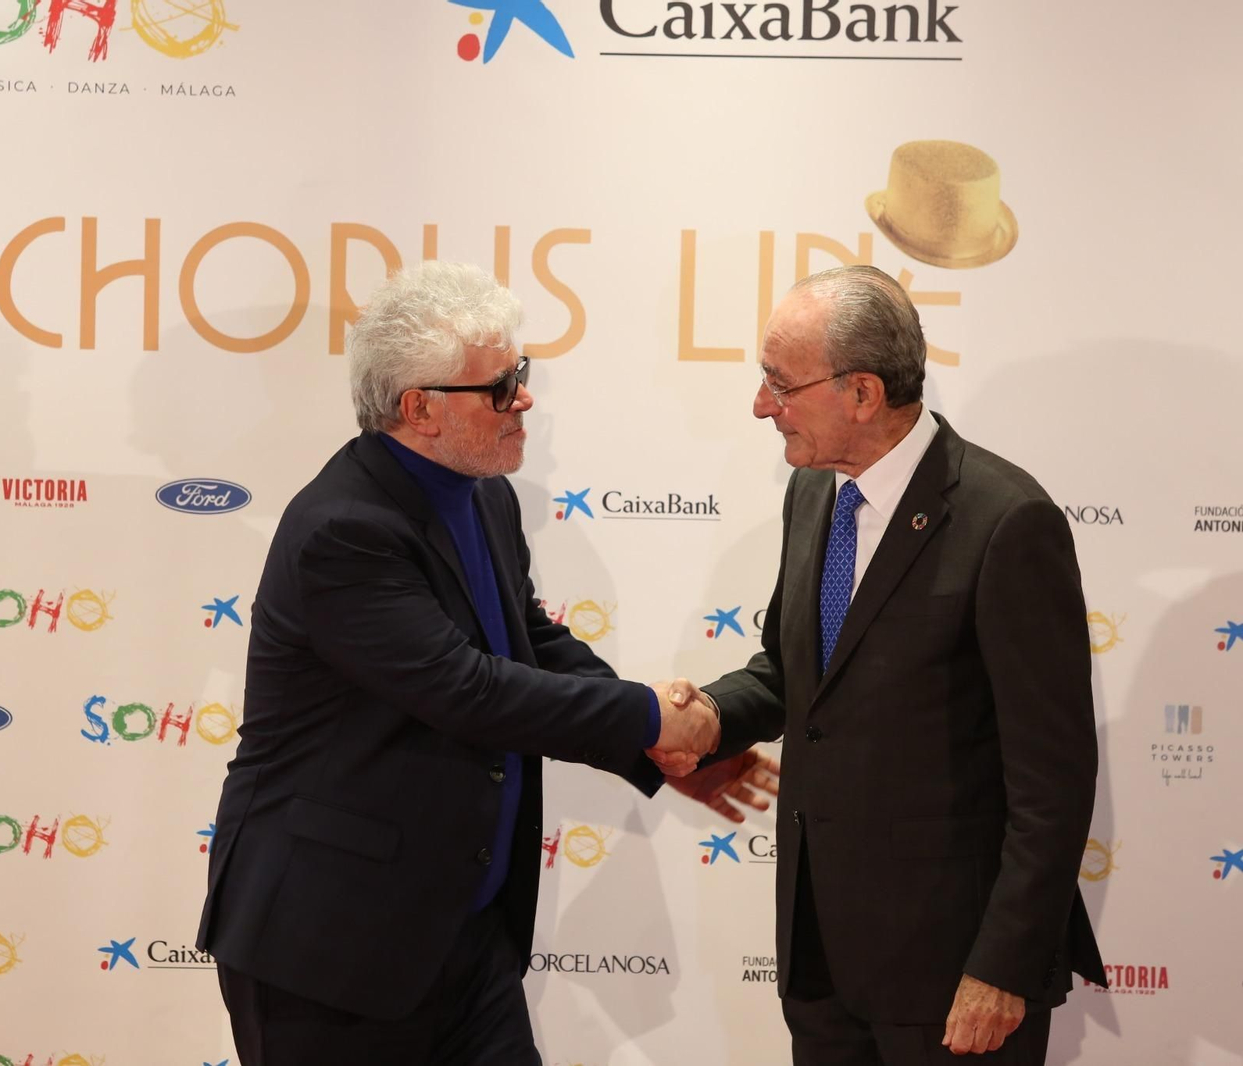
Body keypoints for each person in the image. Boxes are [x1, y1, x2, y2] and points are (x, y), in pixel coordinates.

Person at [195, 261, 767, 1065]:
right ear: (419, 407)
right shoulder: (345, 529)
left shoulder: (483, 493)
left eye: (520, 376)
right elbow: (466, 689)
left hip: (460, 937)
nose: (524, 399)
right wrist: (650, 717)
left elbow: (525, 641)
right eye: (500, 387)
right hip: (329, 948)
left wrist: (654, 746)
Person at [661, 265, 1105, 1063]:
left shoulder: (1007, 522)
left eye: (779, 383)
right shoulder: (816, 494)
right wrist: (710, 718)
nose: (763, 405)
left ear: (861, 394)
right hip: (822, 960)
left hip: (950, 974)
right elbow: (797, 674)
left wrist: (1000, 966)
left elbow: (1055, 779)